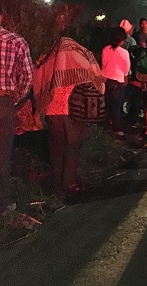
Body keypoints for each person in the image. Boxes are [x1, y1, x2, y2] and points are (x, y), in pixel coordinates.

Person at [33, 37, 105, 199]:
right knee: (73, 146)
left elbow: (38, 80)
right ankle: (69, 183)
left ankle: (58, 185)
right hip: (72, 110)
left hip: (52, 111)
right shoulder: (78, 59)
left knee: (56, 147)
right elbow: (95, 78)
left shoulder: (48, 60)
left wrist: (39, 109)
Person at [0, 11, 34, 213]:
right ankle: (2, 205)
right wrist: (14, 98)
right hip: (4, 103)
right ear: (2, 18)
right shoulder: (17, 41)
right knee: (3, 155)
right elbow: (28, 77)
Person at [101, 27, 130, 137]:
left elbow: (103, 64)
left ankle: (106, 127)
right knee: (117, 106)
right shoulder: (124, 52)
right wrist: (126, 77)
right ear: (121, 40)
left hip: (106, 80)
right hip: (118, 81)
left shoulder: (105, 49)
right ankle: (117, 130)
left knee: (107, 105)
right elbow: (126, 68)